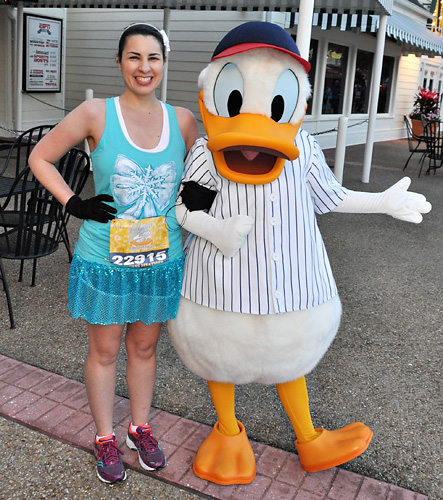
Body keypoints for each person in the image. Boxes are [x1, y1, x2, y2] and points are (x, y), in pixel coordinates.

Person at [28, 23, 199, 484]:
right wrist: (74, 202)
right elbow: (40, 157)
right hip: (105, 258)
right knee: (104, 351)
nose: (145, 68)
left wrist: (198, 202)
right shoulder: (95, 113)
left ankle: (139, 428)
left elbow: (205, 175)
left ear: (164, 63)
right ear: (120, 61)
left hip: (160, 260)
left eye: (154, 58)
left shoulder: (182, 120)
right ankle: (105, 436)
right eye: (134, 57)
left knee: (144, 348)